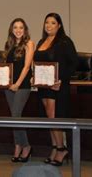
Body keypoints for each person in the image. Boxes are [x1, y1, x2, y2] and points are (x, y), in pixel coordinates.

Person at [34, 13, 77, 166]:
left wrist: (60, 80)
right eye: (47, 22)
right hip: (43, 85)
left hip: (57, 86)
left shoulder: (65, 42)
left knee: (53, 117)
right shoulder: (41, 41)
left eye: (53, 23)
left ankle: (61, 148)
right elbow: (37, 62)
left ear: (59, 25)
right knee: (48, 117)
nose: (49, 25)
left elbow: (74, 64)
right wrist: (34, 76)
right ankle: (54, 147)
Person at [0, 18, 34, 162]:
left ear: (25, 30)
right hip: (9, 86)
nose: (18, 30)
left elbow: (27, 67)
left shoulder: (29, 44)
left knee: (16, 114)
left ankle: (26, 146)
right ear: (11, 30)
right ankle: (18, 145)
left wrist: (18, 84)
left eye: (21, 27)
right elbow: (5, 68)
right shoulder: (9, 45)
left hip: (22, 85)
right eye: (15, 27)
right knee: (13, 117)